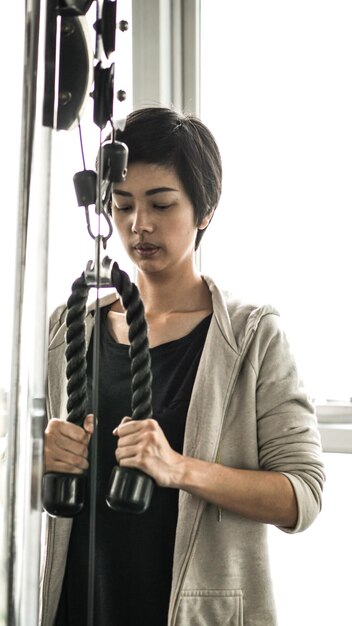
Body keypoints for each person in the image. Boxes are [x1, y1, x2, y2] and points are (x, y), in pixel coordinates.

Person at [41, 107, 325, 626]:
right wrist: (39, 460)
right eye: (122, 205)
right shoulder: (69, 328)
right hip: (76, 604)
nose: (138, 224)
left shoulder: (251, 334)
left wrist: (179, 469)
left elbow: (301, 496)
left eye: (161, 204)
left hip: (194, 612)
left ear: (205, 210)